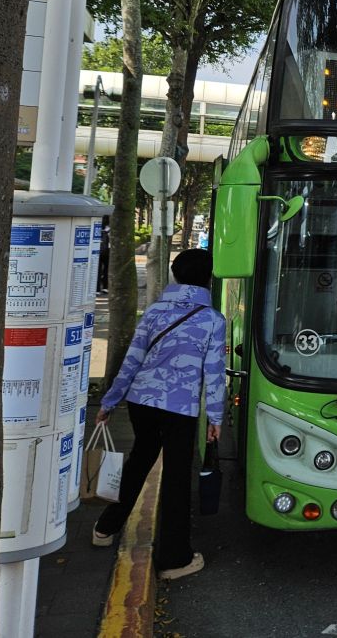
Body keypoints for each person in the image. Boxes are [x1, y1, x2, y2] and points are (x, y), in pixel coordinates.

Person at [91, 249, 226, 581]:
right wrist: (216, 418)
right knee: (178, 478)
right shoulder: (212, 320)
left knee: (140, 459)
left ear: (175, 276)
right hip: (179, 408)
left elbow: (132, 360)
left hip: (140, 401)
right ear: (209, 278)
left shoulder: (154, 312)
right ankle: (174, 559)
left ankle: (104, 527)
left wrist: (108, 403)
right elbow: (214, 373)